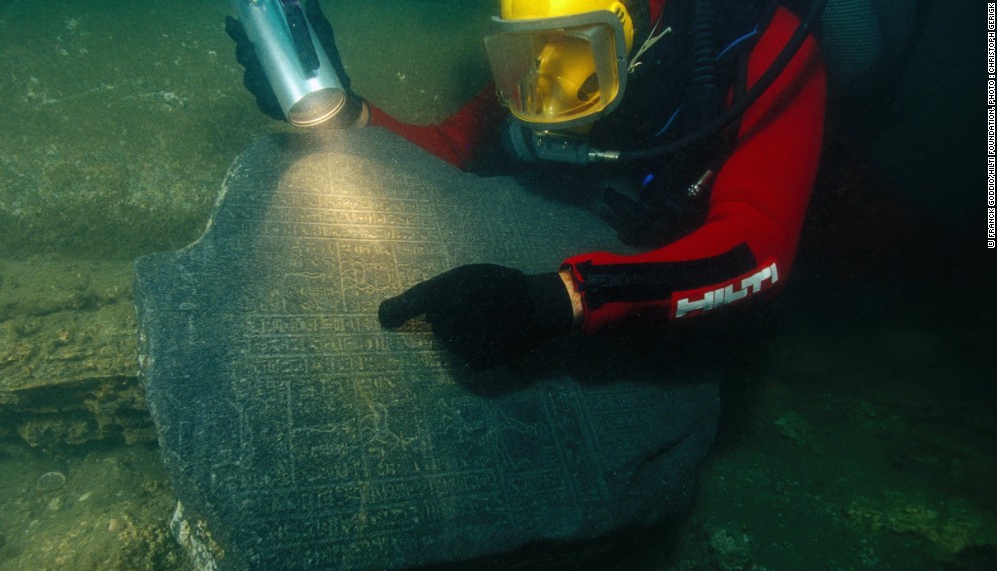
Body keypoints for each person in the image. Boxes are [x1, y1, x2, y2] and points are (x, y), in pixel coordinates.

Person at [227, 0, 826, 369]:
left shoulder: (764, 50)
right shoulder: (542, 51)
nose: (546, 91)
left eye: (579, 53)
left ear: (638, 37)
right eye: (524, 55)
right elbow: (456, 150)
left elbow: (759, 250)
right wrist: (347, 116)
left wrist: (565, 298)